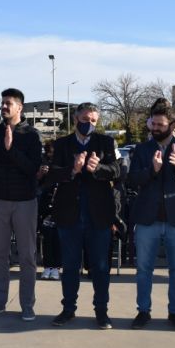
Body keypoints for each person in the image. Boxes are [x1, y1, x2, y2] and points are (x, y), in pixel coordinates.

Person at [44, 102, 120, 328]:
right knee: (69, 266)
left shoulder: (106, 143)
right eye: (86, 120)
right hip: (69, 216)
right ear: (76, 119)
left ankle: (101, 311)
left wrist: (98, 169)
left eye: (94, 121)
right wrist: (73, 170)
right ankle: (68, 309)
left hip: (99, 215)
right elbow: (51, 176)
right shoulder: (61, 144)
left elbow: (118, 171)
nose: (90, 124)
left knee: (100, 266)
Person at [128, 99, 175, 331]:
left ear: (173, 125)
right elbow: (131, 180)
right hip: (147, 219)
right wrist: (152, 170)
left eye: (161, 124)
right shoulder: (141, 150)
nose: (156, 128)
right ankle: (143, 310)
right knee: (143, 269)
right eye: (153, 124)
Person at [0, 88, 42, 321]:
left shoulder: (32, 135)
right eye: (3, 103)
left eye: (9, 103)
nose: (4, 107)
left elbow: (32, 169)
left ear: (20, 107)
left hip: (24, 202)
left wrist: (10, 148)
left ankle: (27, 304)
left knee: (26, 256)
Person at [38, 140, 61, 280]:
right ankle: (47, 266)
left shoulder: (62, 162)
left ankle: (56, 267)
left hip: (60, 205)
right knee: (46, 237)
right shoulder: (42, 162)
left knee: (58, 237)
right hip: (45, 204)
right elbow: (37, 183)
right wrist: (41, 174)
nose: (51, 155)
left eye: (53, 153)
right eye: (49, 153)